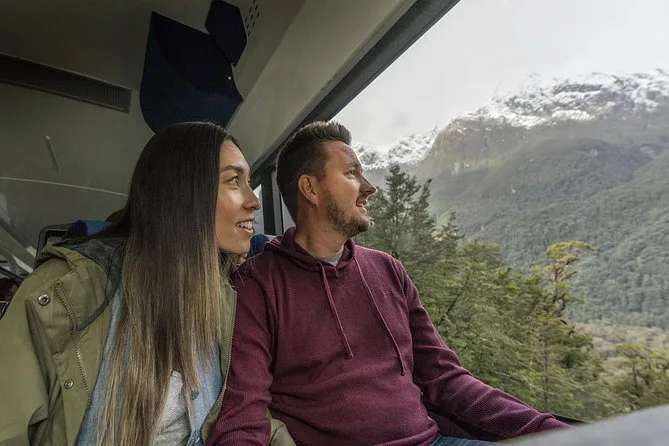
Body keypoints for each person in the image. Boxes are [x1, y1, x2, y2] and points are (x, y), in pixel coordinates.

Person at [209, 121, 570, 446]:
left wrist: (554, 431)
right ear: (310, 189)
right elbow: (244, 412)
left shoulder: (388, 270)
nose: (369, 188)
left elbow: (447, 380)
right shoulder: (257, 284)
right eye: (352, 173)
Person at [0, 122, 292, 446]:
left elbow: (247, 413)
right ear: (184, 192)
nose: (254, 201)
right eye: (234, 180)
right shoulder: (63, 292)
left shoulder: (228, 301)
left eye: (250, 183)